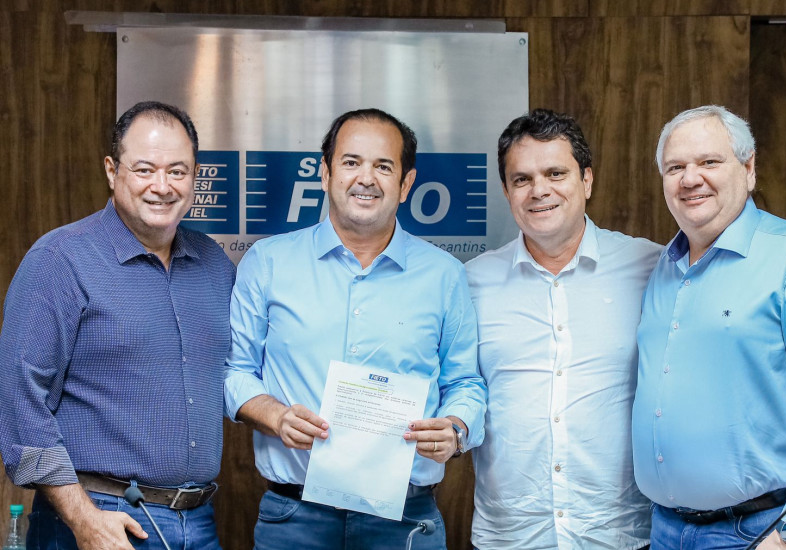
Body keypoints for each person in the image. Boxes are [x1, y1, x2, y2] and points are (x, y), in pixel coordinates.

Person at [223, 108, 486, 550]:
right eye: (351, 162)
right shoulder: (268, 263)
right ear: (325, 173)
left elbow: (466, 383)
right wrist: (276, 417)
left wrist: (456, 429)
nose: (366, 178)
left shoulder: (444, 275)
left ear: (406, 184)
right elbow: (235, 371)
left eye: (383, 166)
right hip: (295, 518)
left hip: (406, 519)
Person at [633, 105, 786, 550]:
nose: (690, 179)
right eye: (675, 167)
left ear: (748, 168)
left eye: (709, 161)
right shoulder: (662, 270)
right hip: (667, 530)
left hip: (766, 532)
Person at [0, 101, 235, 549]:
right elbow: (19, 402)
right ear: (112, 171)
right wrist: (83, 518)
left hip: (198, 522)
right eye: (144, 169)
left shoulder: (214, 265)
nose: (162, 186)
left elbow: (241, 373)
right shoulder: (60, 260)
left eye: (178, 171)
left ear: (195, 176)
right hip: (99, 520)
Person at [464, 108, 661, 549]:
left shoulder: (653, 268)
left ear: (586, 180)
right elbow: (458, 387)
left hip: (620, 535)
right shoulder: (472, 282)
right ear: (506, 191)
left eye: (556, 173)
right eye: (522, 179)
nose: (540, 190)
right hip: (510, 536)